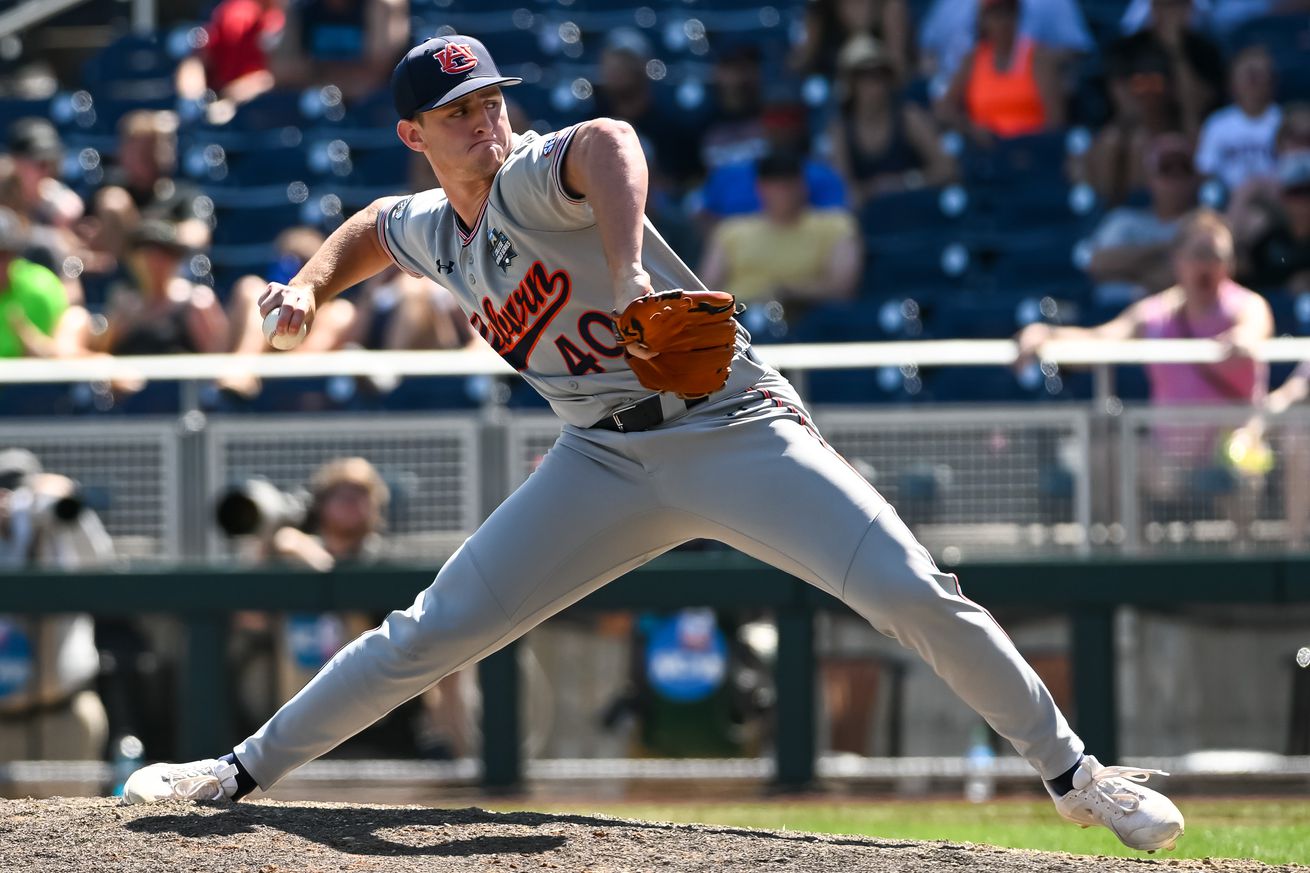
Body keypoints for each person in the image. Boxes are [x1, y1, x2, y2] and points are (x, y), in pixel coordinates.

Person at [123, 34, 1185, 855]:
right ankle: (235, 772)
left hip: (730, 427)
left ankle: (1077, 778)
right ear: (415, 133)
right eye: (456, 112)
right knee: (427, 630)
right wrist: (308, 284)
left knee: (912, 591)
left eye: (491, 100)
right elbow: (371, 227)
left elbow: (609, 143)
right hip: (598, 458)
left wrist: (628, 263)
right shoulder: (434, 227)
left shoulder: (533, 171)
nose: (484, 122)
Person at [1020, 209, 1273, 529]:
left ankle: (1248, 563)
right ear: (1177, 261)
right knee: (1104, 456)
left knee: (1243, 467)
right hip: (1167, 458)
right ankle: (1126, 556)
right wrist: (1045, 334)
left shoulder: (1247, 306)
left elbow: (1254, 328)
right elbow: (1100, 340)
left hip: (1233, 447)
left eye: (1217, 256)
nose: (1209, 265)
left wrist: (1241, 340)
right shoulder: (1156, 313)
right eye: (1199, 254)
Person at [0, 449, 112, 773]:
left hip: (64, 711)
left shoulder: (62, 526)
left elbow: (101, 565)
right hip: (3, 721)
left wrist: (67, 505)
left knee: (75, 819)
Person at [699, 149, 861, 319]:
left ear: (802, 185)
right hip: (739, 318)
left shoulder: (835, 225)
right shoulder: (731, 230)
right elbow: (706, 289)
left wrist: (790, 292)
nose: (783, 193)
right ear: (760, 188)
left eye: (789, 184)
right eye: (775, 185)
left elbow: (843, 288)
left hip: (809, 317)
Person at [828, 35, 955, 209]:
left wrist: (905, 182)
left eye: (879, 76)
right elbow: (842, 189)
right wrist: (871, 191)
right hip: (869, 221)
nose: (873, 85)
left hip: (914, 212)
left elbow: (947, 169)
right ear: (850, 83)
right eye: (863, 76)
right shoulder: (840, 130)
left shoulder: (910, 117)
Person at [1084, 133, 1199, 305]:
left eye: (1184, 168)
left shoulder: (1204, 223)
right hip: (1113, 318)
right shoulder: (1123, 220)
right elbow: (1097, 264)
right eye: (1166, 168)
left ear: (1196, 178)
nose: (1175, 177)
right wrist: (1166, 249)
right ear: (1150, 178)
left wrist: (1132, 268)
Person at [934, 0, 1066, 144]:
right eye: (996, 14)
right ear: (983, 20)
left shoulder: (1039, 58)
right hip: (987, 150)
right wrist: (970, 129)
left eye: (1009, 13)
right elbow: (944, 109)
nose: (1004, 22)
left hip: (1030, 149)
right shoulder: (973, 60)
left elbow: (1055, 121)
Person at [1106, 0, 1224, 139]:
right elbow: (1125, 106)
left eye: (1181, 5)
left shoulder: (1206, 51)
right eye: (1168, 5)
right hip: (1138, 130)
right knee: (1118, 139)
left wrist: (1176, 50)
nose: (1174, 12)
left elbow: (1197, 104)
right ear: (1154, 7)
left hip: (1186, 130)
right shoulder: (1128, 49)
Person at [268, 0, 409, 101]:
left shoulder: (381, 6)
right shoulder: (300, 9)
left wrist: (314, 72)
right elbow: (282, 70)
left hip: (371, 107)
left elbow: (377, 69)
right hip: (314, 101)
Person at [1194, 45, 1281, 194]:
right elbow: (1205, 170)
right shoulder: (1217, 123)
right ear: (1232, 82)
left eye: (1258, 75)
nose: (1252, 82)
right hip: (1227, 203)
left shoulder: (1283, 121)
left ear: (1272, 81)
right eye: (1247, 75)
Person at [176, 0, 286, 106]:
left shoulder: (285, 18)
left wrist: (232, 95)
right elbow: (195, 61)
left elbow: (274, 77)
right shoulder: (236, 13)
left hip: (267, 106)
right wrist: (193, 102)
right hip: (222, 105)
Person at [792, 0, 911, 81]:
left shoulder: (889, 5)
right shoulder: (821, 7)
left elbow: (897, 64)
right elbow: (804, 57)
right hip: (832, 84)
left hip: (876, 86)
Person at [1243, 150, 1310, 291]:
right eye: (1296, 192)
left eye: (1308, 192)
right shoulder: (1266, 244)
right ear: (1282, 197)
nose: (1304, 201)